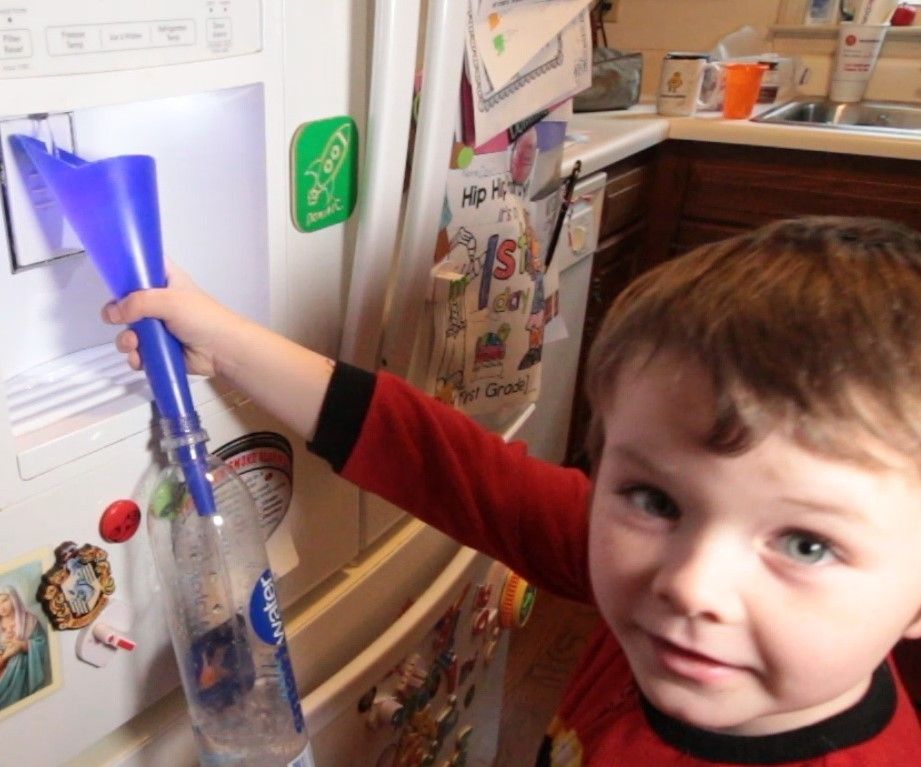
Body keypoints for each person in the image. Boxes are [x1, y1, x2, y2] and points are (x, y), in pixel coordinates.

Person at [104, 216, 921, 765]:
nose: (688, 583)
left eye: (806, 544)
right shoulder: (661, 578)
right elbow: (444, 460)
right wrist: (230, 339)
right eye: (655, 499)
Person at [0, 585, 50, 711]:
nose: (1, 607)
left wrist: (23, 645)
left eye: (4, 600)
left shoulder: (30, 620)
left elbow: (42, 644)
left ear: (13, 598)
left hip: (21, 674)